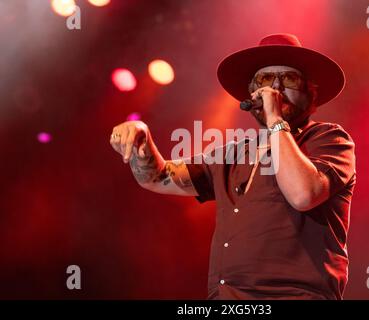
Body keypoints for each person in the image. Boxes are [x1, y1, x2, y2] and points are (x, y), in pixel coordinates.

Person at [110, 34, 356, 300]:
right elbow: (157, 177)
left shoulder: (329, 139)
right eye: (264, 80)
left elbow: (303, 194)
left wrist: (275, 119)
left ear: (312, 96)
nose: (275, 88)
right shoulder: (233, 154)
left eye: (289, 79)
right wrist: (141, 138)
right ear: (252, 94)